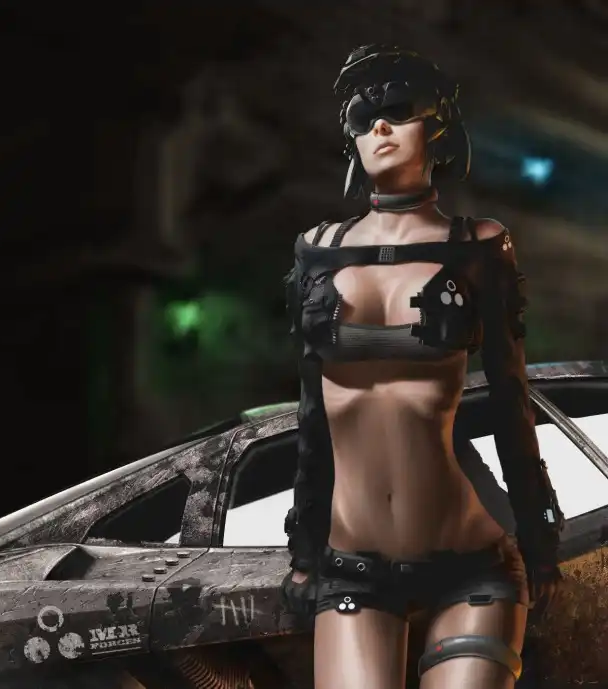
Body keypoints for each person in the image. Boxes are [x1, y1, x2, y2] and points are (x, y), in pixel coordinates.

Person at [281, 45, 564, 689]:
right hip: (351, 569)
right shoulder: (317, 252)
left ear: (438, 129)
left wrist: (540, 541)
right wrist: (306, 552)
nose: (379, 125)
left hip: (472, 563)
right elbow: (312, 417)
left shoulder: (480, 246)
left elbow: (511, 404)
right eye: (362, 116)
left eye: (398, 108)